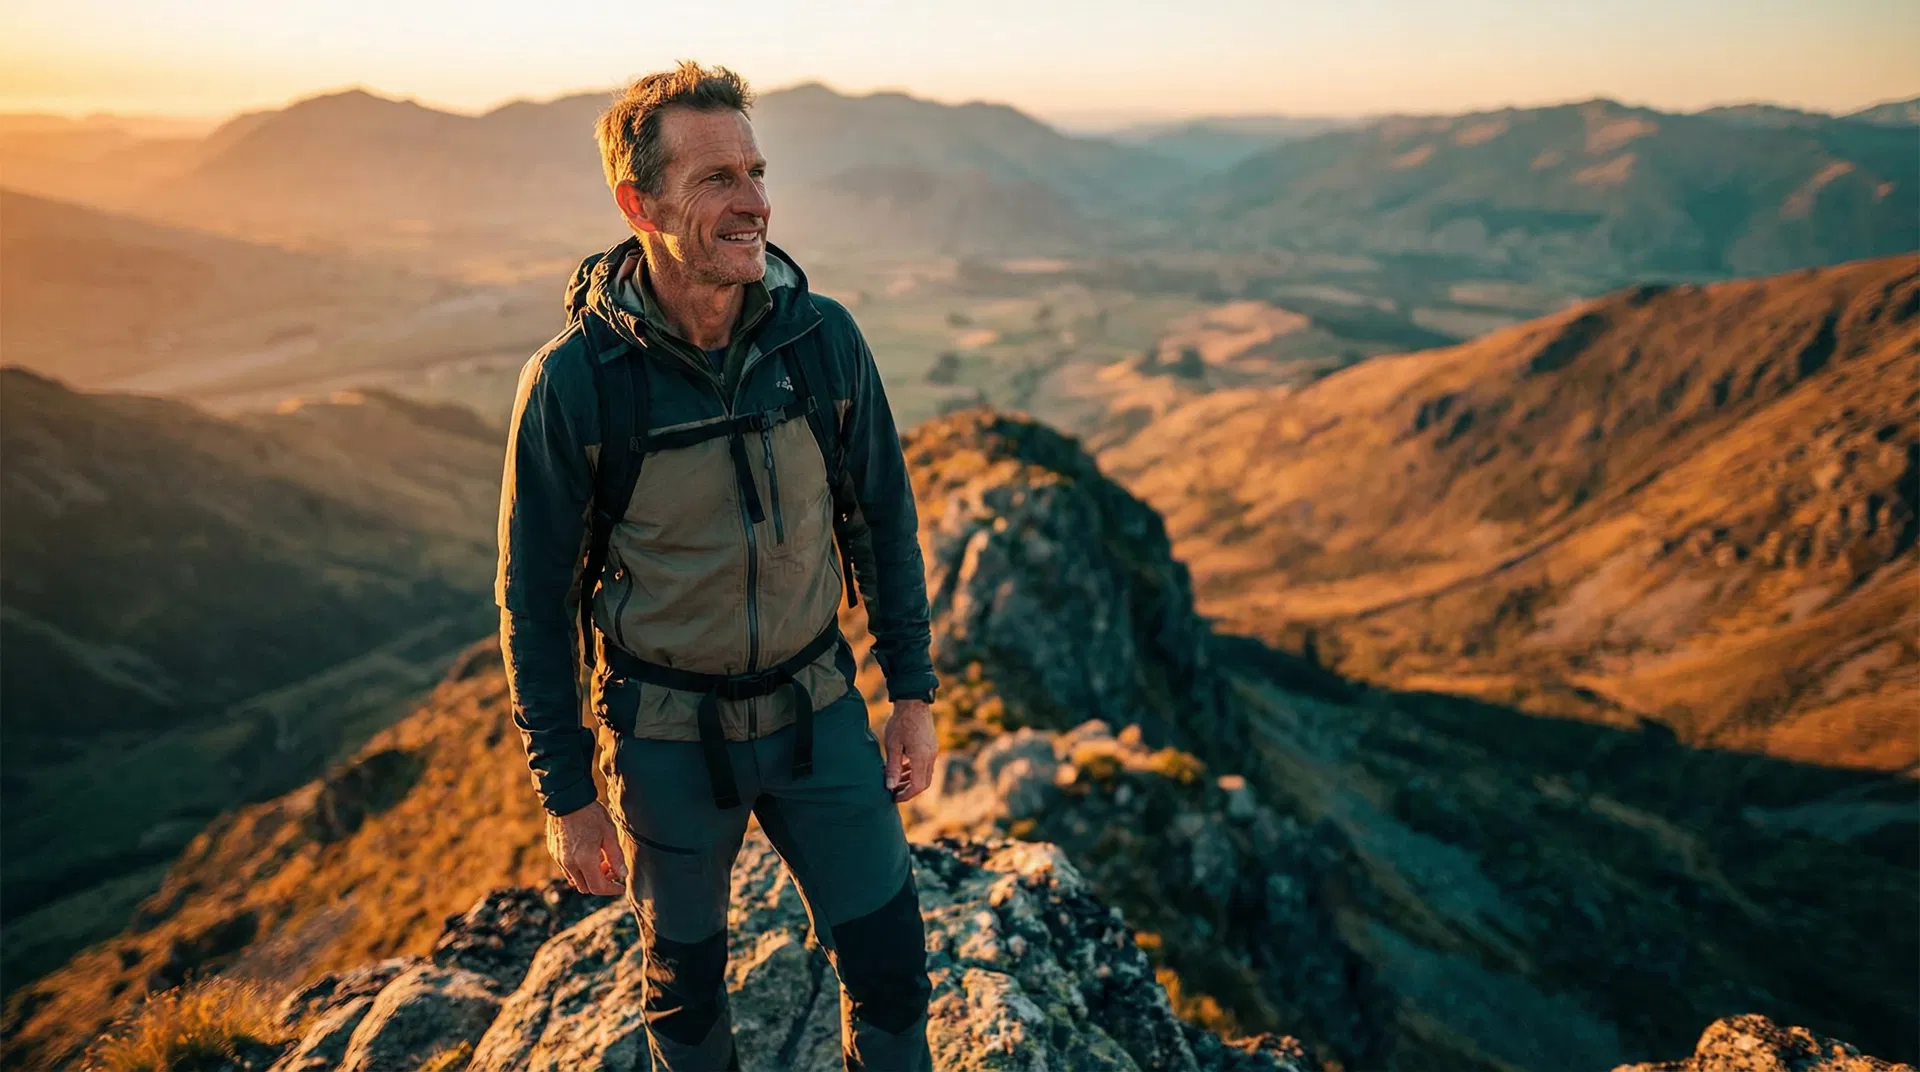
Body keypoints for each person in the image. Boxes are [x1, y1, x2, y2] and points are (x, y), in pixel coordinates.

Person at [493, 61, 940, 1071]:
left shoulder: (821, 342)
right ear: (638, 202)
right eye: (716, 180)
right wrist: (569, 795)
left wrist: (910, 691)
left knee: (894, 971)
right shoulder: (575, 386)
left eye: (756, 170)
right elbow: (534, 602)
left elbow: (882, 517)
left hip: (818, 715)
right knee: (686, 1007)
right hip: (666, 742)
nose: (755, 203)